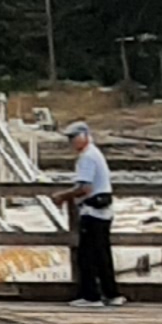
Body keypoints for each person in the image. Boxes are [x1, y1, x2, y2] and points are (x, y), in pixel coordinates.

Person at [68, 127, 120, 310]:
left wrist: (63, 195)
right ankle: (111, 293)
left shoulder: (87, 157)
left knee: (86, 256)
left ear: (85, 136)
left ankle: (91, 296)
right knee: (102, 254)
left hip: (92, 211)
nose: (72, 142)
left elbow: (85, 187)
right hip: (104, 210)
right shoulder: (95, 153)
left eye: (74, 137)